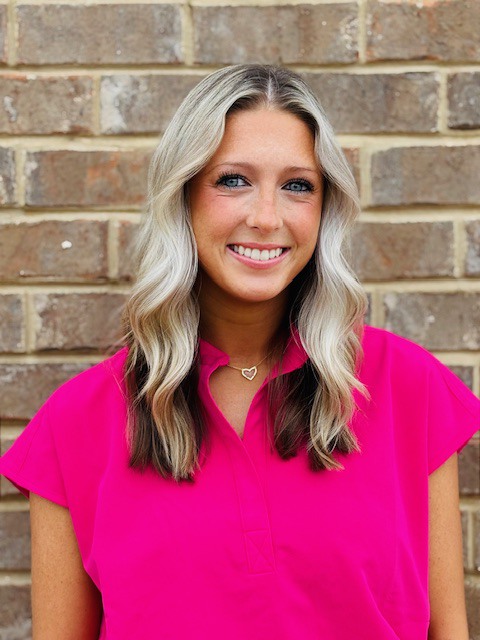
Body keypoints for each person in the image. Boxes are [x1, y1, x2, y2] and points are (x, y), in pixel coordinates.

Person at [0, 64, 478, 640]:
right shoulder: (76, 422)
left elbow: (448, 629)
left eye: (298, 186)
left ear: (324, 209)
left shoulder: (407, 388)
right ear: (183, 196)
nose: (266, 218)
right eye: (232, 180)